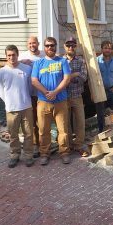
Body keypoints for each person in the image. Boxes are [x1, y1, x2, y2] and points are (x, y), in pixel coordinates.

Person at [31, 37, 71, 166]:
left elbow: (67, 79)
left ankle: (64, 152)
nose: (50, 48)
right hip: (43, 102)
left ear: (56, 46)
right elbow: (34, 80)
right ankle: (44, 154)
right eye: (47, 46)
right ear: (44, 47)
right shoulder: (38, 63)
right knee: (43, 130)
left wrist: (55, 92)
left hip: (60, 101)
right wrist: (46, 93)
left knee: (63, 130)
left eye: (52, 45)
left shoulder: (62, 61)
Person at [0, 45, 34, 168]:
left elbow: (30, 87)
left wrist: (25, 98)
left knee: (28, 133)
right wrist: (8, 102)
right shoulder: (2, 72)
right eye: (9, 55)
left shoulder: (26, 69)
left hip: (26, 106)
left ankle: (28, 155)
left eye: (13, 54)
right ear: (6, 57)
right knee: (13, 135)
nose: (11, 57)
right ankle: (15, 155)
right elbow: (1, 91)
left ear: (17, 55)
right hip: (11, 109)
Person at [19, 36, 46, 158]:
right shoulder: (23, 56)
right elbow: (12, 65)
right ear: (27, 45)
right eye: (29, 43)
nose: (32, 45)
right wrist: (21, 62)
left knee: (43, 121)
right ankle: (36, 145)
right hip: (29, 95)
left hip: (43, 93)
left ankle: (44, 144)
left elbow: (55, 57)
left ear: (38, 44)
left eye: (34, 43)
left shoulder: (44, 54)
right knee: (33, 121)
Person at [63, 36, 89, 157]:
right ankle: (68, 145)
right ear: (65, 47)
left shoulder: (81, 61)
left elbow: (83, 77)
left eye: (73, 45)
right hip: (63, 96)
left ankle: (78, 145)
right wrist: (74, 75)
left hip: (77, 95)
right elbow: (60, 79)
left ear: (76, 47)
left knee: (80, 121)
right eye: (68, 45)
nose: (71, 47)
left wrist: (69, 78)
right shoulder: (60, 60)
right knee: (65, 122)